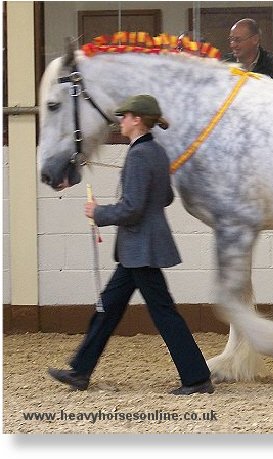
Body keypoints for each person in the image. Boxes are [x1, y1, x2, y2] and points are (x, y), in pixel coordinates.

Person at [47, 95, 214, 396]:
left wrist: (99, 213)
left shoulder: (138, 155)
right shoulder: (157, 152)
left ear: (137, 119)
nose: (120, 121)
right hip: (137, 250)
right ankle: (80, 371)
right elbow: (164, 199)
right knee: (107, 308)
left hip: (140, 249)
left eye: (124, 116)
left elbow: (133, 208)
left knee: (162, 313)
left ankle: (196, 377)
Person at [222, 18, 273, 86]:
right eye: (231, 39)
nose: (232, 45)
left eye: (238, 40)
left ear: (255, 39)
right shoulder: (225, 63)